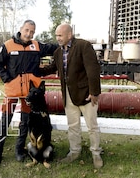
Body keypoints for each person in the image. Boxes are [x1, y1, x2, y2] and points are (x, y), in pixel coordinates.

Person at [0, 19, 58, 167]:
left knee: (25, 122)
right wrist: (7, 79)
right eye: (27, 30)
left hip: (30, 94)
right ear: (21, 29)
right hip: (12, 91)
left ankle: (19, 150)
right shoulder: (8, 45)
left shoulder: (37, 46)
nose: (29, 34)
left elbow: (55, 48)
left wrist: (66, 44)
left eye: (32, 32)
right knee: (5, 121)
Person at [40, 23, 103, 169]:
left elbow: (93, 70)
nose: (58, 38)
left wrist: (94, 93)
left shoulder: (83, 46)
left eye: (60, 35)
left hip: (87, 95)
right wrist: (34, 70)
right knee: (73, 126)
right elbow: (51, 67)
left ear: (69, 35)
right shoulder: (58, 52)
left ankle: (96, 153)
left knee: (92, 126)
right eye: (56, 35)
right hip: (68, 95)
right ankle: (74, 152)